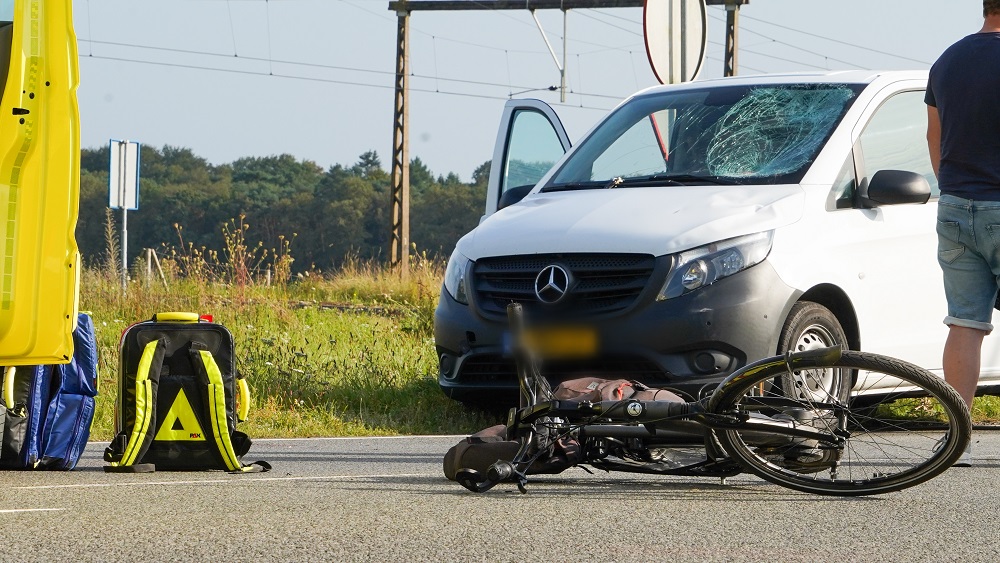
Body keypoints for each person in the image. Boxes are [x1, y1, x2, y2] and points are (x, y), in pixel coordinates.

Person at [925, 0, 1000, 467]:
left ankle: (957, 437)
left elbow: (934, 138)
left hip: (955, 205)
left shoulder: (948, 59)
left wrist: (952, 189)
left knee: (965, 323)